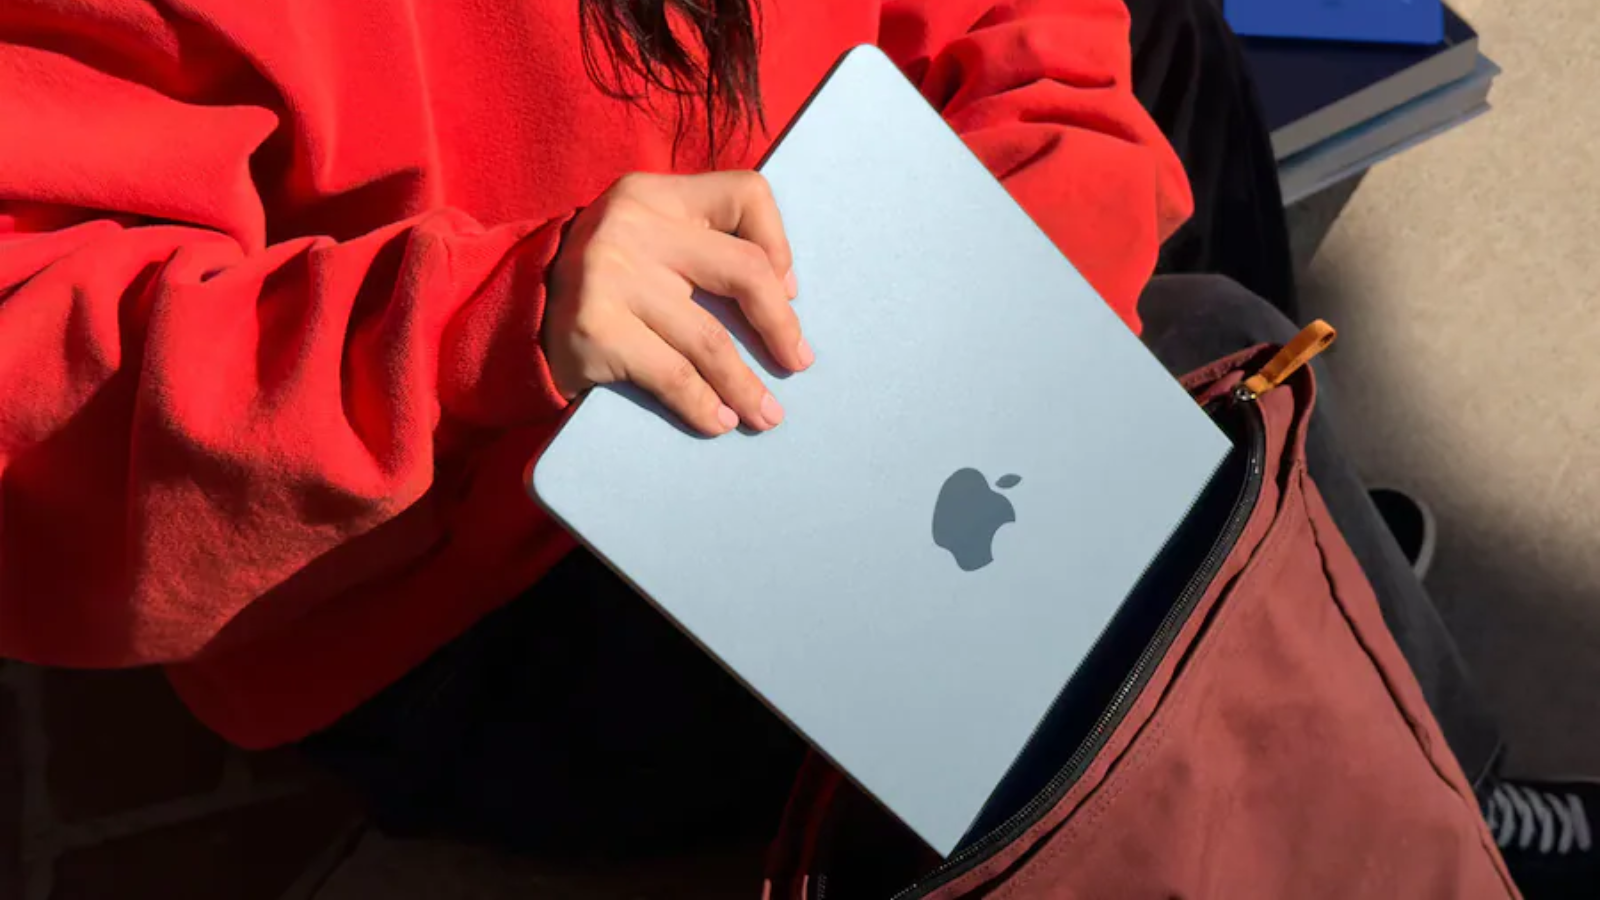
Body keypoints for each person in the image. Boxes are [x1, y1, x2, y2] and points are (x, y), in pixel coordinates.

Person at [0, 0, 1590, 894]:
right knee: (1192, 380)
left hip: (825, 337)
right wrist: (489, 320)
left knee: (1179, 271)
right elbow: (38, 383)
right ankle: (1299, 692)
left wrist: (992, 322)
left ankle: (1336, 698)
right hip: (480, 557)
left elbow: (1037, 47)